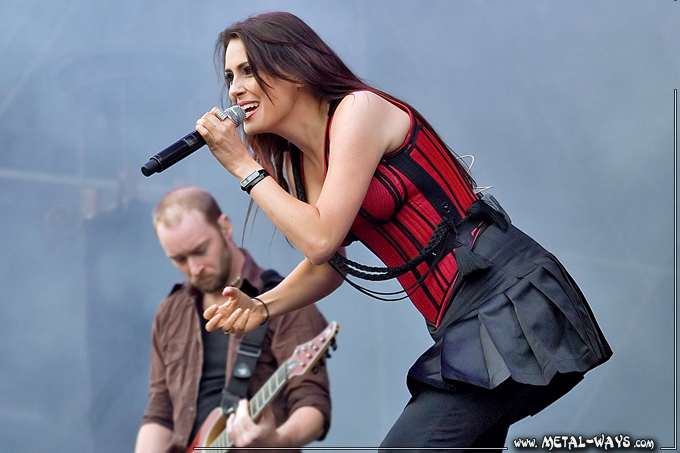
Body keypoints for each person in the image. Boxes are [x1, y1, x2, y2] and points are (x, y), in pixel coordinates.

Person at [195, 11, 612, 451]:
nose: (235, 88)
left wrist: (244, 166)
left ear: (294, 68)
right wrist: (262, 307)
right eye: (229, 76)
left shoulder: (358, 110)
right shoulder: (304, 161)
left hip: (507, 299)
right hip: (458, 322)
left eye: (248, 70)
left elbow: (319, 238)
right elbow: (328, 260)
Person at [134, 186, 331, 453]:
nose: (194, 268)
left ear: (225, 227)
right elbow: (160, 408)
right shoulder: (171, 311)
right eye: (179, 259)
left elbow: (312, 404)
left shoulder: (284, 300)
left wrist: (277, 441)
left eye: (200, 250)